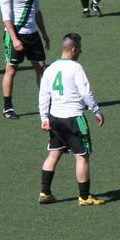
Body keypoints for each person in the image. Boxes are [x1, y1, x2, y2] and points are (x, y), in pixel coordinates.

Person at [37, 33, 105, 206]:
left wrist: (44, 117)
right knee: (82, 157)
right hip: (74, 119)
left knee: (53, 154)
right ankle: (84, 196)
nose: (80, 52)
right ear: (73, 49)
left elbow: (43, 95)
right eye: (79, 49)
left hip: (55, 118)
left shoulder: (50, 69)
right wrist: (96, 111)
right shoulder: (75, 68)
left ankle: (45, 193)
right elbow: (85, 92)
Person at [0, 0, 49, 120]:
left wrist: (44, 34)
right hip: (15, 35)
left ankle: (45, 104)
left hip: (33, 35)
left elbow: (37, 12)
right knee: (11, 70)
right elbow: (6, 18)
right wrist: (14, 39)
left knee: (41, 69)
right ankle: (7, 107)